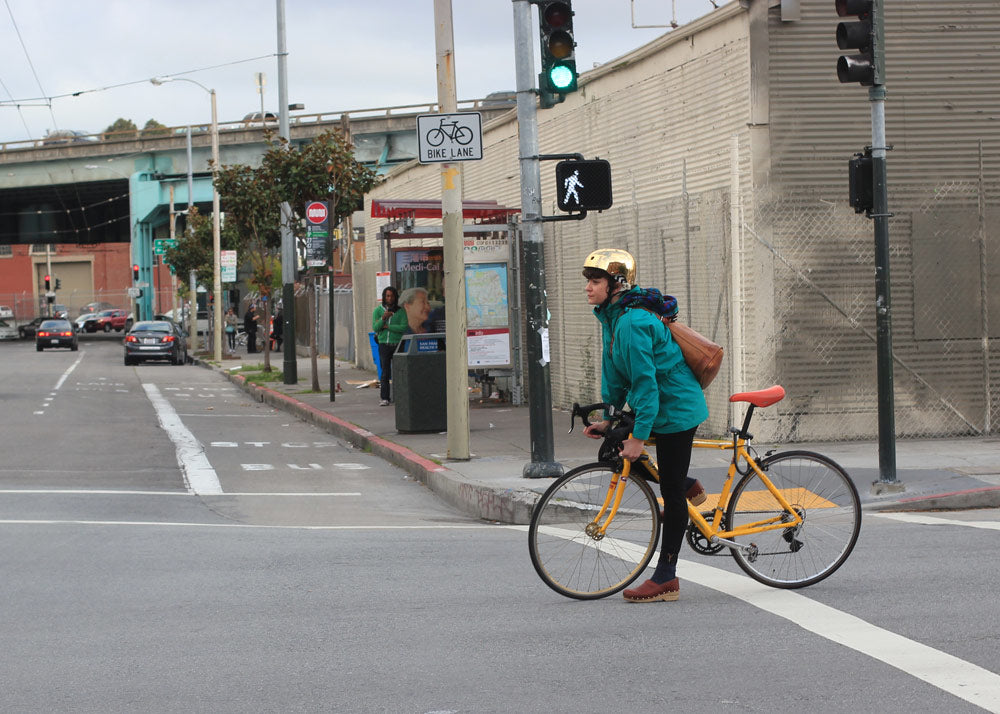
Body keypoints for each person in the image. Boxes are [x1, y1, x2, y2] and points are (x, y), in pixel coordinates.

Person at [580, 248, 708, 603]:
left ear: (616, 283)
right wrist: (609, 417)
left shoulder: (634, 322)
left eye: (595, 281)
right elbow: (616, 375)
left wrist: (638, 435)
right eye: (588, 281)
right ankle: (687, 485)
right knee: (618, 444)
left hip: (676, 408)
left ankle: (667, 576)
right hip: (657, 406)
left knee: (667, 488)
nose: (588, 288)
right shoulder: (612, 316)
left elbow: (646, 383)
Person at [372, 286, 407, 406]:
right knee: (385, 372)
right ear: (384, 297)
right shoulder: (378, 311)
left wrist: (388, 327)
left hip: (397, 344)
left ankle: (400, 396)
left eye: (392, 296)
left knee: (399, 372)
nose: (389, 298)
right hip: (384, 345)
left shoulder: (400, 311)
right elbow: (375, 327)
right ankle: (384, 398)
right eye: (387, 296)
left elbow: (403, 327)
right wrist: (383, 319)